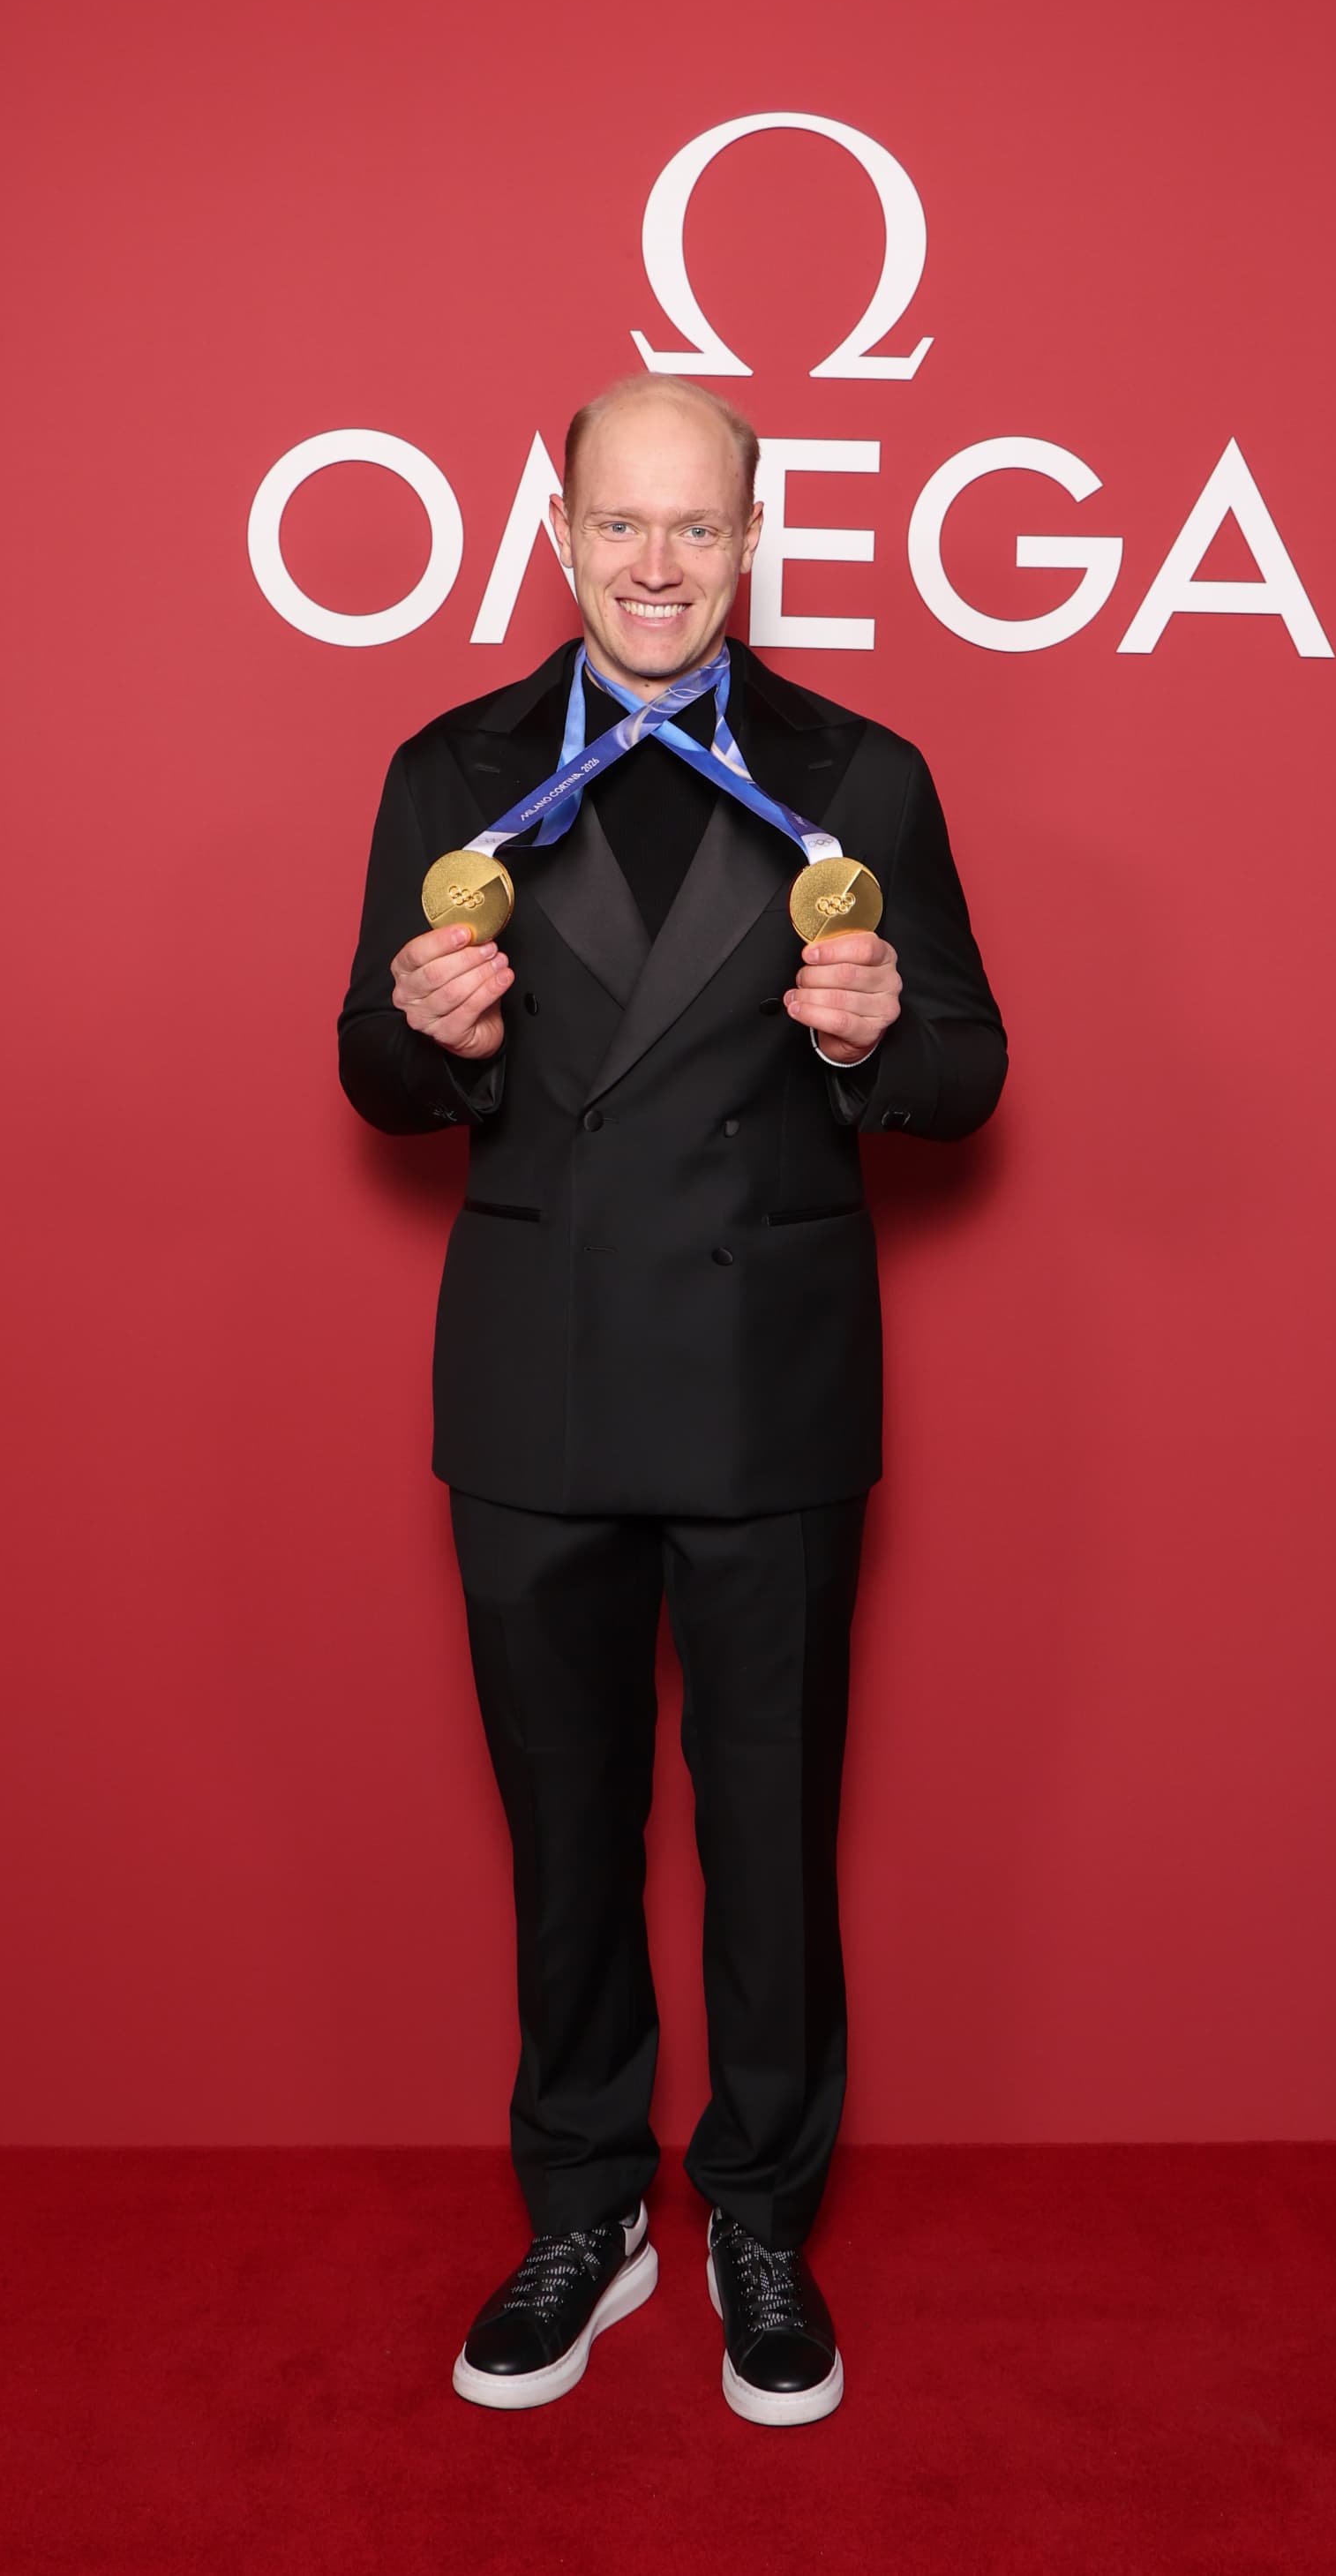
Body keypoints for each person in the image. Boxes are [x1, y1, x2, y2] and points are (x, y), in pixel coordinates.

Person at [337, 372, 1007, 2425]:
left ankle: (760, 2219)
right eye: (618, 524)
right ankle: (584, 2207)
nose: (654, 565)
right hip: (532, 1379)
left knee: (771, 1828)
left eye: (694, 527)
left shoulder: (860, 774)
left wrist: (874, 1036)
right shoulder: (449, 767)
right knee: (566, 1828)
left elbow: (969, 1071)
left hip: (764, 1384)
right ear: (558, 536)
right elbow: (370, 1066)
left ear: (752, 543)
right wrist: (426, 1033)